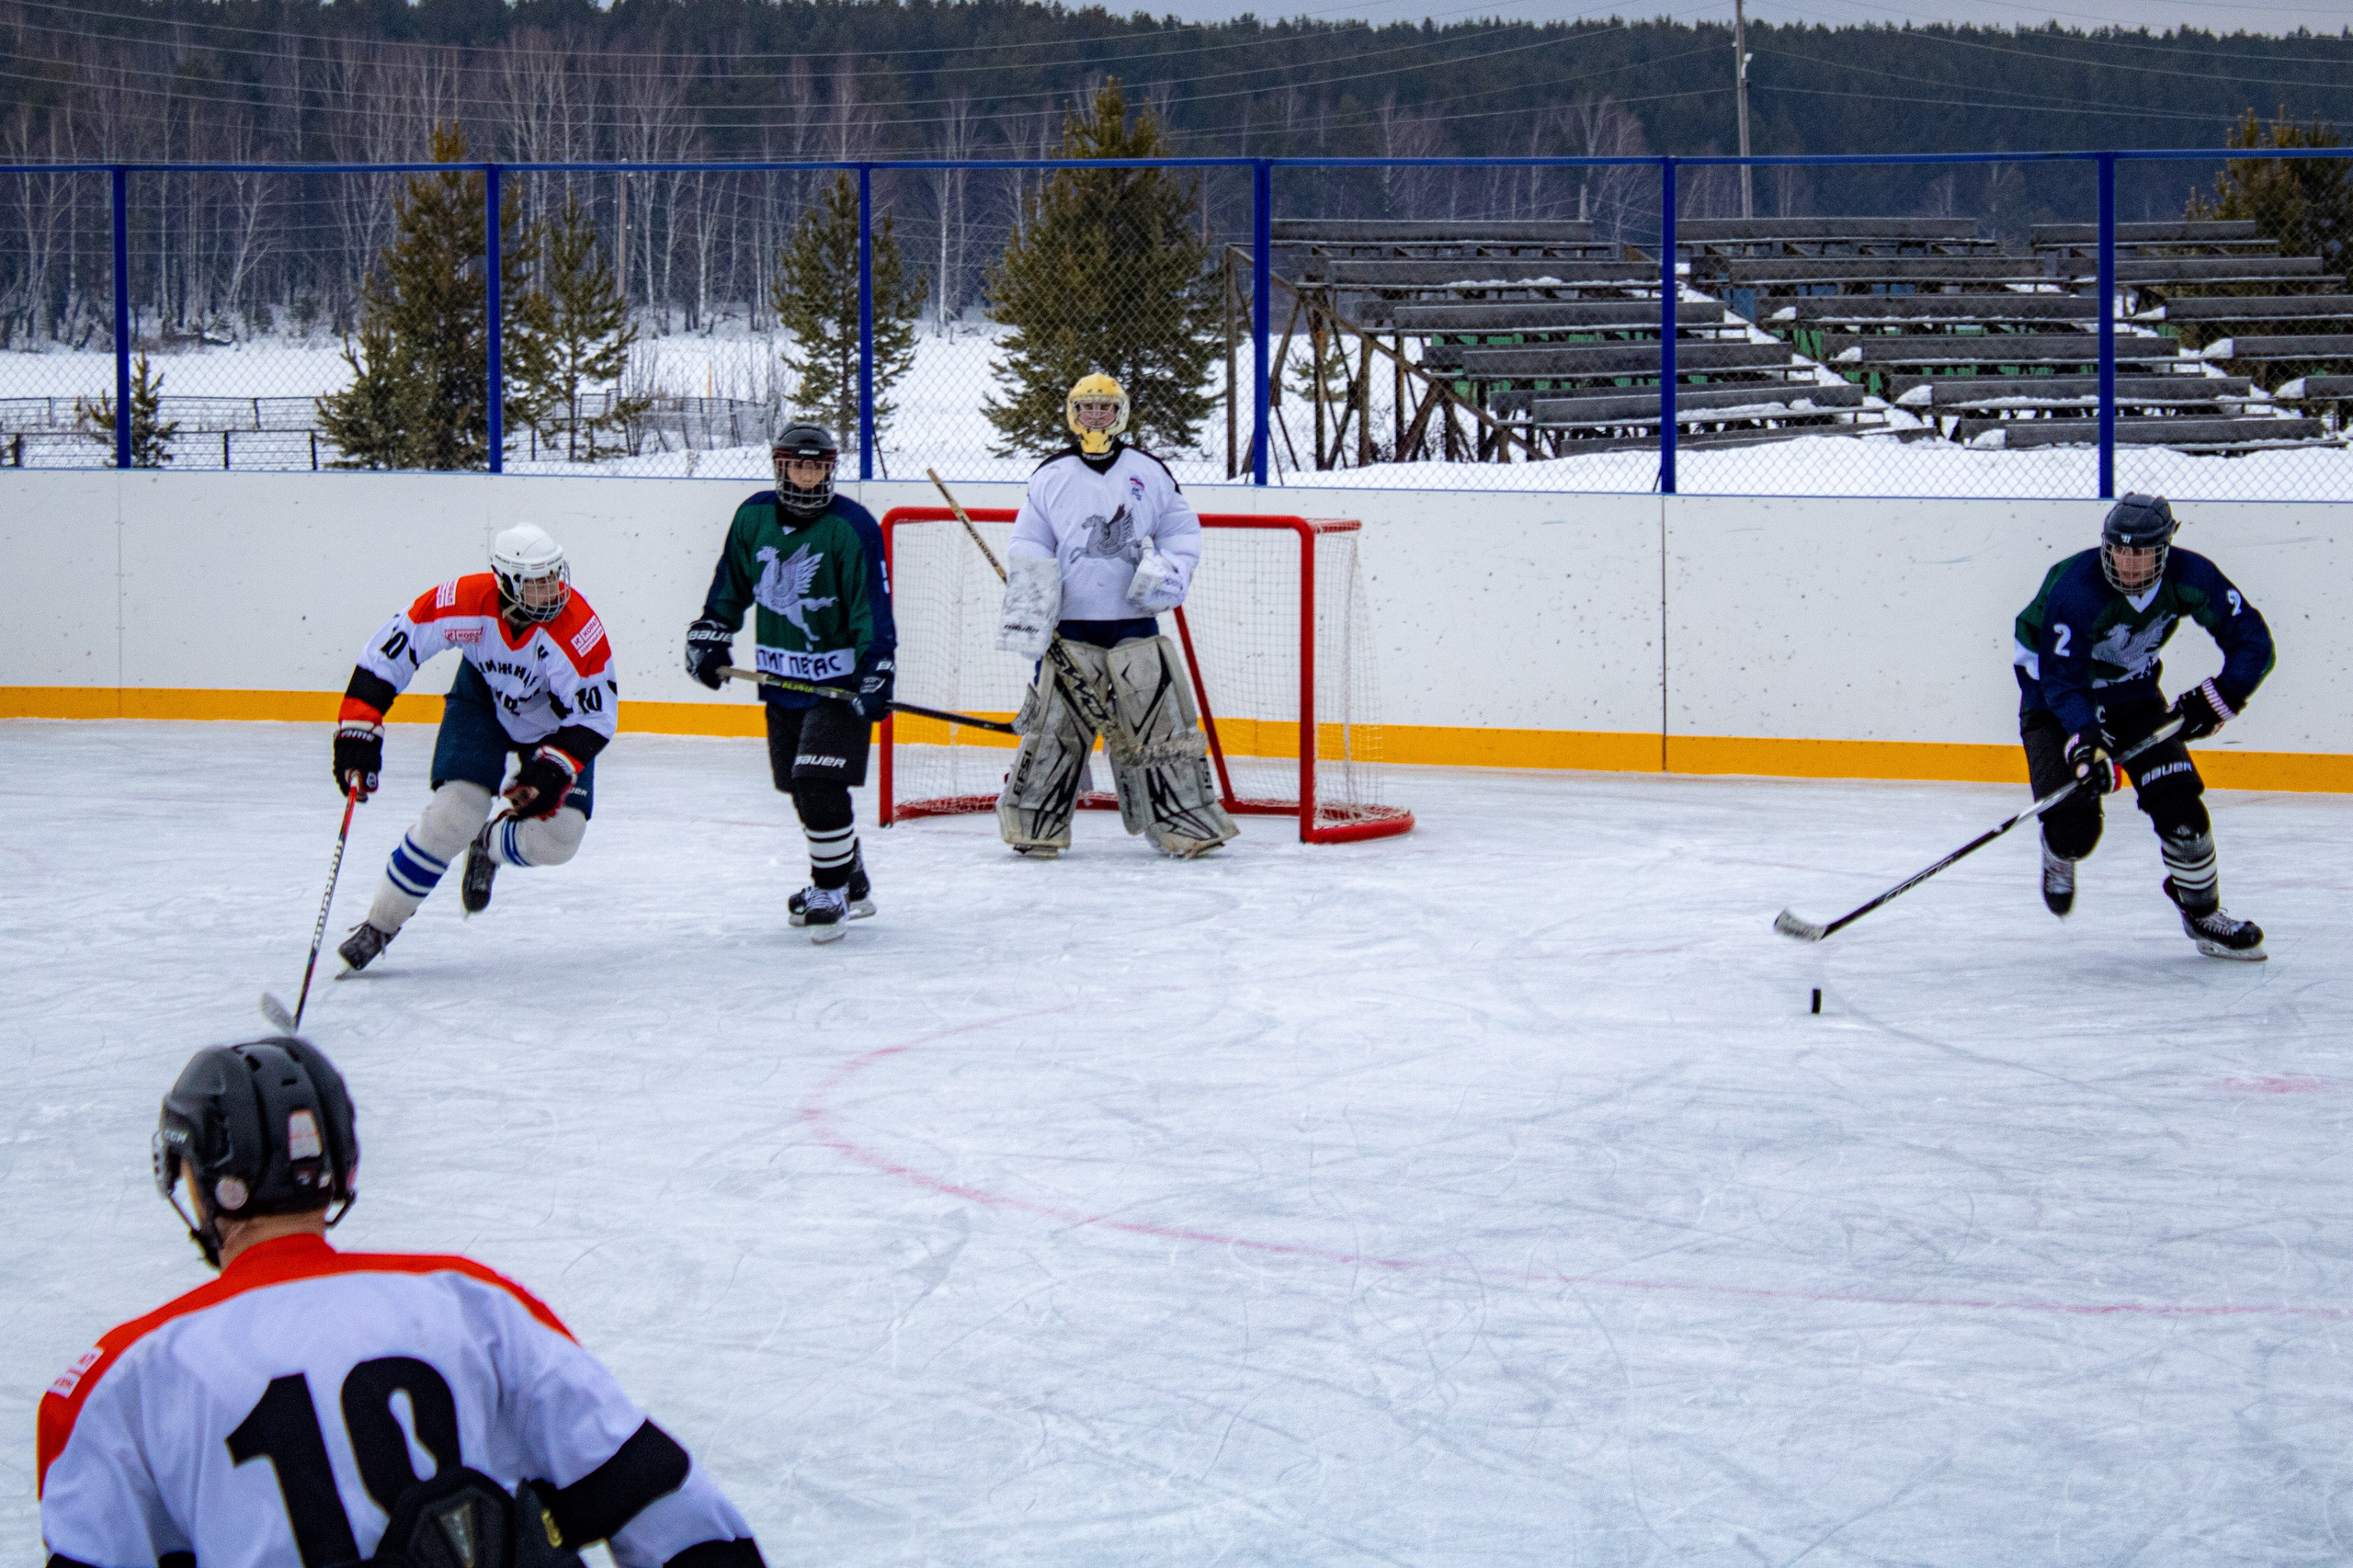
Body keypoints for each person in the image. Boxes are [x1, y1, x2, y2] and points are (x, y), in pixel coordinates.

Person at [38, 1036, 765, 1568]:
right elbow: (674, 1510)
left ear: (198, 1185)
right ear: (341, 1167)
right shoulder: (475, 1303)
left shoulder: (116, 1383)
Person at [332, 524, 618, 972]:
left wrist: (551, 770)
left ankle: (488, 844)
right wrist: (358, 728)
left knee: (560, 839)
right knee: (454, 813)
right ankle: (380, 923)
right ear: (504, 581)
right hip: (482, 703)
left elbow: (596, 717)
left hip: (555, 726)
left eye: (553, 577)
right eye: (536, 582)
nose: (552, 591)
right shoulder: (463, 601)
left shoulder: (579, 631)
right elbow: (390, 652)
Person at [2013, 493, 2275, 959]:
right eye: (2119, 550)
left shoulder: (2192, 578)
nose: (2128, 563)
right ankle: (2058, 850)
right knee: (2074, 833)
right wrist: (2085, 743)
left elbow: (2252, 640)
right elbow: (2063, 681)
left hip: (2133, 698)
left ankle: (2202, 914)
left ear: (2165, 549)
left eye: (2141, 552)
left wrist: (2220, 699)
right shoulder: (2077, 588)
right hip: (2054, 700)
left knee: (2184, 817)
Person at [991, 373, 1237, 859]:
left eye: (1105, 409)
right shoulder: (1051, 475)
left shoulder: (1149, 470)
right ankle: (1036, 821)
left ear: (1120, 414)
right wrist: (1035, 590)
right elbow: (1029, 540)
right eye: (1087, 408)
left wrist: (1171, 570)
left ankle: (1181, 820)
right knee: (1056, 724)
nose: (1096, 417)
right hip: (1070, 625)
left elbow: (1181, 532)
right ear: (1072, 412)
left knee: (1157, 723)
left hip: (1133, 620)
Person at [685, 421, 896, 943]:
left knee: (816, 781)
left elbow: (873, 606)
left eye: (818, 466)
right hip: (780, 680)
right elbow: (731, 584)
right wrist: (711, 633)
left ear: (830, 469)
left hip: (837, 684)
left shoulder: (853, 526)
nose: (807, 476)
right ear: (780, 466)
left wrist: (877, 668)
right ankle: (853, 879)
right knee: (799, 789)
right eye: (798, 465)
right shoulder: (753, 516)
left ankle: (829, 892)